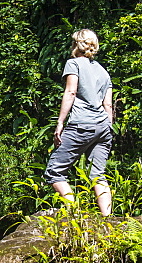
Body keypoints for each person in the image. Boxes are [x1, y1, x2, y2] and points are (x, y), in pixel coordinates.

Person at [44, 28, 113, 215]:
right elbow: (108, 105)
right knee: (98, 174)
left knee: (54, 171)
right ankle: (109, 221)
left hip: (81, 125)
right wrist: (108, 129)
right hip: (103, 127)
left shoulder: (73, 64)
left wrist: (60, 123)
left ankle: (75, 215)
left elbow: (71, 92)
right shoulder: (103, 72)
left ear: (76, 44)